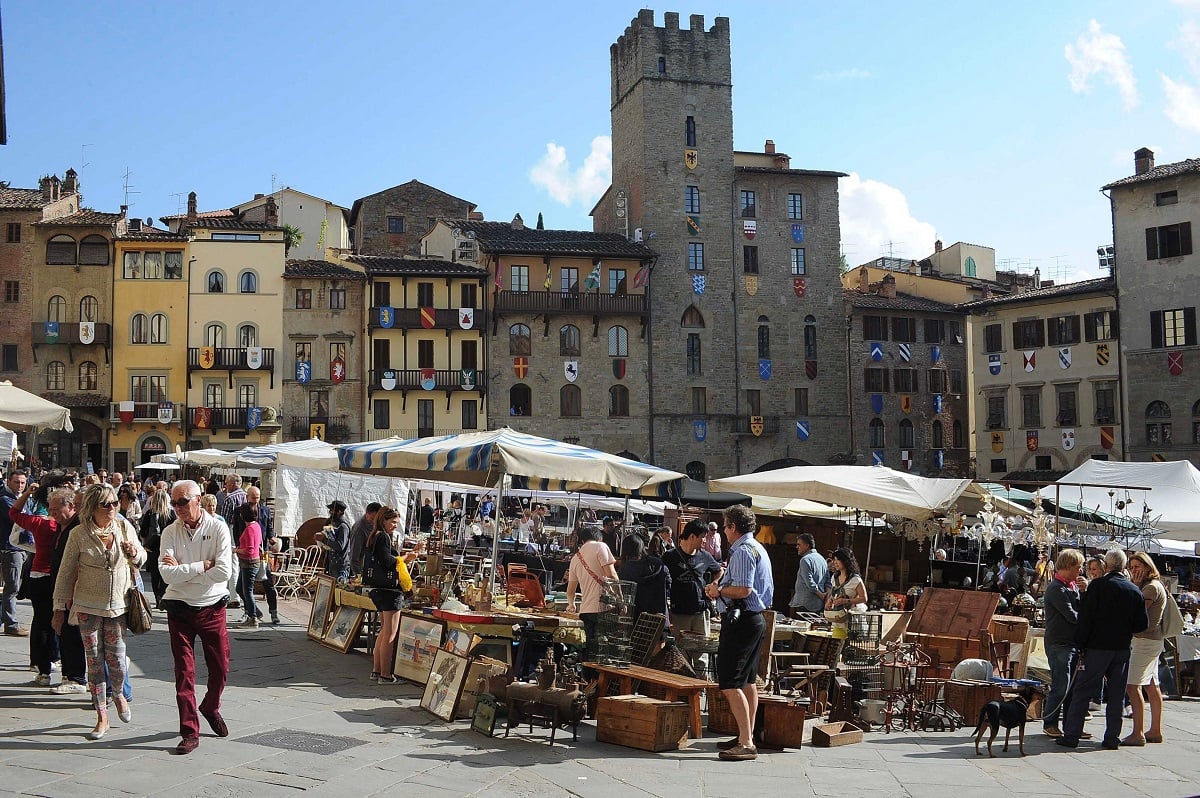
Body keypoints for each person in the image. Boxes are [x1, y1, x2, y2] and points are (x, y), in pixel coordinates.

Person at [52, 483, 144, 740]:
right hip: (88, 606)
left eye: (115, 502)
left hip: (118, 607)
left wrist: (135, 553)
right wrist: (59, 608)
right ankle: (101, 716)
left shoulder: (125, 528)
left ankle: (119, 696)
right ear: (93, 507)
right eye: (107, 504)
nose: (113, 507)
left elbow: (142, 558)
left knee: (117, 658)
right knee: (94, 662)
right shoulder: (79, 534)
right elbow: (65, 573)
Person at [159, 480, 234, 756]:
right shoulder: (169, 532)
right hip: (178, 607)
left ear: (198, 500)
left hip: (212, 606)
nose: (178, 507)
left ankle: (211, 706)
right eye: (174, 503)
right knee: (184, 674)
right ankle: (189, 732)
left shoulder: (218, 528)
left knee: (221, 668)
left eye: (183, 501)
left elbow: (224, 572)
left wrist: (184, 572)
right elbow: (166, 575)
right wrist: (203, 566)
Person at [1058, 549, 1148, 750]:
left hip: (1097, 648)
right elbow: (1142, 624)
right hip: (1121, 649)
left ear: (1106, 566)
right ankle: (1111, 738)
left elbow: (1085, 618)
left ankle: (1072, 735)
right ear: (1124, 567)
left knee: (1082, 691)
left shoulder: (1098, 586)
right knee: (1116, 696)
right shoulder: (1134, 590)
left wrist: (1080, 644)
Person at [705, 505, 773, 761]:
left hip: (743, 620)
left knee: (730, 682)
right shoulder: (757, 548)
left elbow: (743, 590)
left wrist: (718, 591)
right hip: (753, 619)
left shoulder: (744, 551)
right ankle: (747, 735)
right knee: (747, 682)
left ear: (733, 527)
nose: (723, 531)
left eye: (725, 526)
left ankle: (746, 742)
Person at [9, 479, 75, 685]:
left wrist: (27, 493)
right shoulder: (67, 526)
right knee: (63, 623)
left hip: (38, 575)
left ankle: (43, 671)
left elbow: (14, 513)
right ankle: (67, 671)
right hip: (59, 578)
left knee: (41, 622)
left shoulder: (40, 523)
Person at [364, 506, 419, 684]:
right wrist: (406, 558)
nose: (395, 525)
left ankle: (376, 670)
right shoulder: (383, 537)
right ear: (384, 520)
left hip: (378, 590)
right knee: (390, 633)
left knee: (384, 631)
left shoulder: (375, 536)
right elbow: (388, 562)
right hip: (389, 591)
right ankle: (386, 675)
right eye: (393, 521)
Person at [1125, 551, 1167, 746]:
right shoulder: (1151, 586)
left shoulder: (1150, 588)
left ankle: (1138, 732)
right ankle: (1155, 730)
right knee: (1152, 685)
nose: (1134, 571)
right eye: (1131, 567)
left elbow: (1135, 611)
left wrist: (1133, 586)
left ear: (1147, 567)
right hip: (1151, 640)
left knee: (1133, 686)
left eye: (1137, 567)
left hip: (1145, 641)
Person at [1042, 548, 1084, 739]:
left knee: (1073, 689)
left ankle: (1071, 726)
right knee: (1061, 686)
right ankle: (1049, 722)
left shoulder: (1072, 586)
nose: (1080, 571)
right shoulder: (1056, 588)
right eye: (1078, 567)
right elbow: (1072, 616)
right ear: (1067, 566)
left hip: (1072, 643)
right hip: (1059, 644)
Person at [566, 526, 619, 675]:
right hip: (604, 608)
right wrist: (620, 598)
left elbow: (570, 591)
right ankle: (603, 685)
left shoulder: (575, 558)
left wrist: (571, 605)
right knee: (606, 651)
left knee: (590, 650)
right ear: (599, 537)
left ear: (582, 541)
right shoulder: (601, 546)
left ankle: (589, 683)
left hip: (586, 611)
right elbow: (612, 575)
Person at [240, 486, 279, 625]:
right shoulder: (242, 510)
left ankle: (273, 612)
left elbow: (269, 527)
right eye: (253, 498)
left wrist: (271, 537)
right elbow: (238, 530)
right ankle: (252, 611)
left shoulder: (265, 510)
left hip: (262, 552)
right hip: (247, 553)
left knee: (268, 582)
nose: (255, 500)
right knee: (243, 586)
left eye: (257, 497)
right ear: (247, 497)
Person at [618, 534, 671, 626]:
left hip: (635, 620)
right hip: (659, 617)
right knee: (660, 639)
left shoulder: (625, 569)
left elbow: (622, 592)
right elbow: (669, 584)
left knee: (635, 640)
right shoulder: (658, 564)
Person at [1, 469, 30, 636]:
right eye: (16, 482)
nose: (19, 485)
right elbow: (19, 518)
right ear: (8, 482)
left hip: (21, 547)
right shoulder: (5, 499)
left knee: (14, 586)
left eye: (22, 482)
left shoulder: (21, 498)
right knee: (12, 588)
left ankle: (5, 619)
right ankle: (11, 624)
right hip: (10, 548)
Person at [139, 488, 174, 607]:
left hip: (153, 546)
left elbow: (143, 531)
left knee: (155, 574)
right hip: (167, 546)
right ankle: (162, 593)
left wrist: (146, 544)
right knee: (166, 571)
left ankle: (157, 596)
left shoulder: (150, 513)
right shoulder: (171, 514)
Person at [233, 504, 262, 629]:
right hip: (248, 563)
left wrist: (236, 550)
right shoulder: (256, 526)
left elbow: (249, 550)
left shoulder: (250, 529)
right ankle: (255, 610)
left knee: (247, 591)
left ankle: (252, 617)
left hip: (249, 563)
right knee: (240, 588)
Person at [789, 532, 828, 616]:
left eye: (799, 544)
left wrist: (821, 595)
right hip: (818, 604)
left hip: (805, 603)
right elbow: (827, 581)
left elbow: (809, 582)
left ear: (807, 545)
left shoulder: (805, 560)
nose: (797, 547)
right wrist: (826, 596)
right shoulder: (822, 560)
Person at [315, 500, 351, 582]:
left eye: (332, 510)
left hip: (341, 566)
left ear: (339, 512)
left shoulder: (343, 527)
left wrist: (323, 539)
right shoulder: (333, 524)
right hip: (331, 564)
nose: (330, 512)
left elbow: (340, 546)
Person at [825, 547, 867, 612]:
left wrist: (846, 601)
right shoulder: (834, 577)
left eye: (838, 559)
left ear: (846, 561)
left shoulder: (855, 579)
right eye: (834, 559)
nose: (835, 562)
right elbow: (834, 594)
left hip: (852, 616)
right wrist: (829, 600)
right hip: (837, 616)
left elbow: (864, 598)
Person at [348, 502, 381, 577]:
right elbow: (354, 556)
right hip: (361, 569)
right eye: (373, 518)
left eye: (377, 518)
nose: (375, 521)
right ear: (367, 513)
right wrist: (359, 575)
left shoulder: (375, 524)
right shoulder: (359, 529)